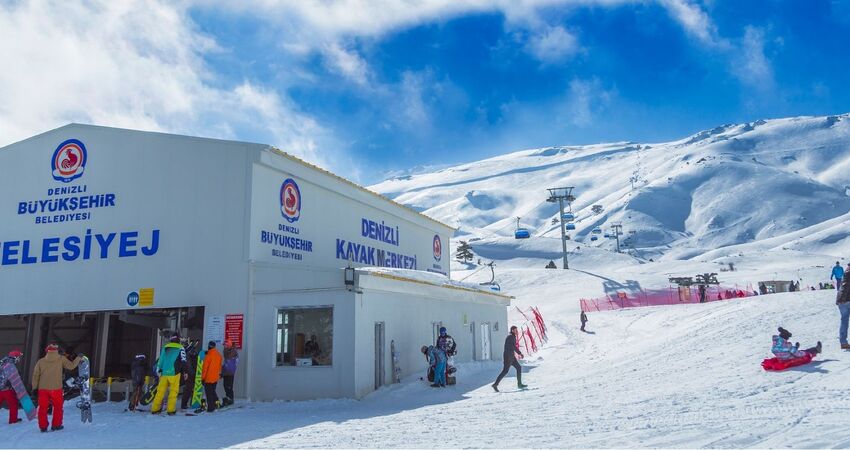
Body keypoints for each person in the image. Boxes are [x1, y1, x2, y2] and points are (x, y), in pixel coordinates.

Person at [32, 344, 81, 432]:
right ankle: (56, 425)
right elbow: (71, 366)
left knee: (42, 408)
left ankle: (43, 427)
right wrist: (78, 358)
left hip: (43, 389)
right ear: (56, 351)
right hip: (56, 388)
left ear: (47, 351)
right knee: (58, 407)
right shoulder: (61, 359)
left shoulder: (41, 361)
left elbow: (35, 376)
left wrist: (34, 388)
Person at [151, 334, 188, 415]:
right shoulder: (181, 348)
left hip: (164, 373)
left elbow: (161, 359)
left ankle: (155, 409)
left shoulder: (165, 347)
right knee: (173, 392)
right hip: (174, 373)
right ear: (178, 340)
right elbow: (184, 361)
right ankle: (170, 410)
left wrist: (158, 369)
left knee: (160, 392)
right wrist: (185, 372)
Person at [492, 326, 526, 392]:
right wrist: (519, 353)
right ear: (512, 330)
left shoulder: (512, 337)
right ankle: (495, 384)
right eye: (515, 330)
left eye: (517, 330)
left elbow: (513, 347)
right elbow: (513, 347)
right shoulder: (511, 337)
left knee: (518, 367)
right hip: (508, 357)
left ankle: (519, 384)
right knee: (505, 371)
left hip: (511, 356)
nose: (516, 331)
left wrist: (517, 354)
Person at [0, 350, 24, 424]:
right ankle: (13, 420)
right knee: (13, 403)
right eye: (19, 357)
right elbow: (14, 379)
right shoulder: (10, 365)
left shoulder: (2, 362)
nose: (19, 359)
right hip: (6, 389)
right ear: (15, 357)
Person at [201, 341, 222, 412]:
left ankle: (211, 408)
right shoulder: (219, 355)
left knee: (209, 393)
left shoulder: (208, 356)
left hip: (208, 378)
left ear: (209, 346)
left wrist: (203, 378)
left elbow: (205, 369)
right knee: (213, 391)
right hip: (215, 377)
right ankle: (217, 403)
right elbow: (219, 367)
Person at [180, 339, 198, 411]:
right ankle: (184, 404)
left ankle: (191, 402)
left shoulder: (189, 353)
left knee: (191, 388)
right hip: (189, 373)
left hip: (191, 372)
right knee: (189, 388)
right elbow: (188, 364)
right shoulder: (187, 353)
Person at [221, 339, 239, 406]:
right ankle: (228, 398)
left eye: (225, 345)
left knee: (229, 386)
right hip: (226, 370)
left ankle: (230, 399)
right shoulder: (227, 350)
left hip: (230, 371)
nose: (224, 346)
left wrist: (226, 349)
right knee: (225, 385)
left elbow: (228, 356)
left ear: (229, 345)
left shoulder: (233, 350)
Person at [837, 276, 850, 349]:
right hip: (846, 301)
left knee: (844, 321)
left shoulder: (845, 275)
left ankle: (843, 342)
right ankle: (843, 342)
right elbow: (846, 287)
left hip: (841, 301)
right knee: (844, 321)